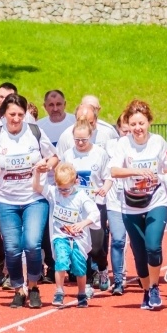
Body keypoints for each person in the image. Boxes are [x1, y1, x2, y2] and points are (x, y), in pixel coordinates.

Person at [0, 93, 58, 308]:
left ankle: (33, 287)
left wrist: (47, 165)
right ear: (3, 114)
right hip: (7, 200)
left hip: (34, 198)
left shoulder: (34, 132)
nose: (16, 119)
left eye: (20, 115)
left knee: (32, 244)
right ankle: (18, 289)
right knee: (12, 248)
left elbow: (54, 157)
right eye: (12, 114)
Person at [110, 99, 167, 310]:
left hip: (155, 200)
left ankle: (154, 287)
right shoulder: (123, 144)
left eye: (141, 123)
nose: (137, 128)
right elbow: (114, 171)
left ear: (149, 122)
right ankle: (146, 290)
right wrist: (136, 171)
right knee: (139, 253)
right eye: (133, 124)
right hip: (131, 204)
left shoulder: (158, 142)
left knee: (153, 246)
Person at [33, 163, 101, 308]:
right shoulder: (54, 192)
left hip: (79, 239)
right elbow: (37, 187)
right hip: (60, 236)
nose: (63, 192)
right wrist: (37, 172)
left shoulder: (81, 196)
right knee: (61, 261)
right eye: (60, 188)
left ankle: (81, 293)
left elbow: (95, 213)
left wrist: (83, 223)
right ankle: (59, 291)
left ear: (75, 182)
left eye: (66, 189)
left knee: (79, 267)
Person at [61, 118, 112, 295]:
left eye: (84, 139)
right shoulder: (68, 155)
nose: (80, 143)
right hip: (75, 206)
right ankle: (87, 282)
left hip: (95, 204)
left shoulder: (100, 153)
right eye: (77, 140)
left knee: (96, 246)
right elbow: (62, 176)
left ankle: (103, 268)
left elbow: (108, 177)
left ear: (90, 136)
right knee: (80, 246)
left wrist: (104, 189)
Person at [105, 112, 131, 296]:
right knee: (118, 239)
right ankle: (119, 280)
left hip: (137, 201)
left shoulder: (142, 146)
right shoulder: (110, 146)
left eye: (131, 131)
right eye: (124, 131)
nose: (128, 134)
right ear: (118, 129)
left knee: (140, 243)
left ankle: (145, 274)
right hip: (114, 201)